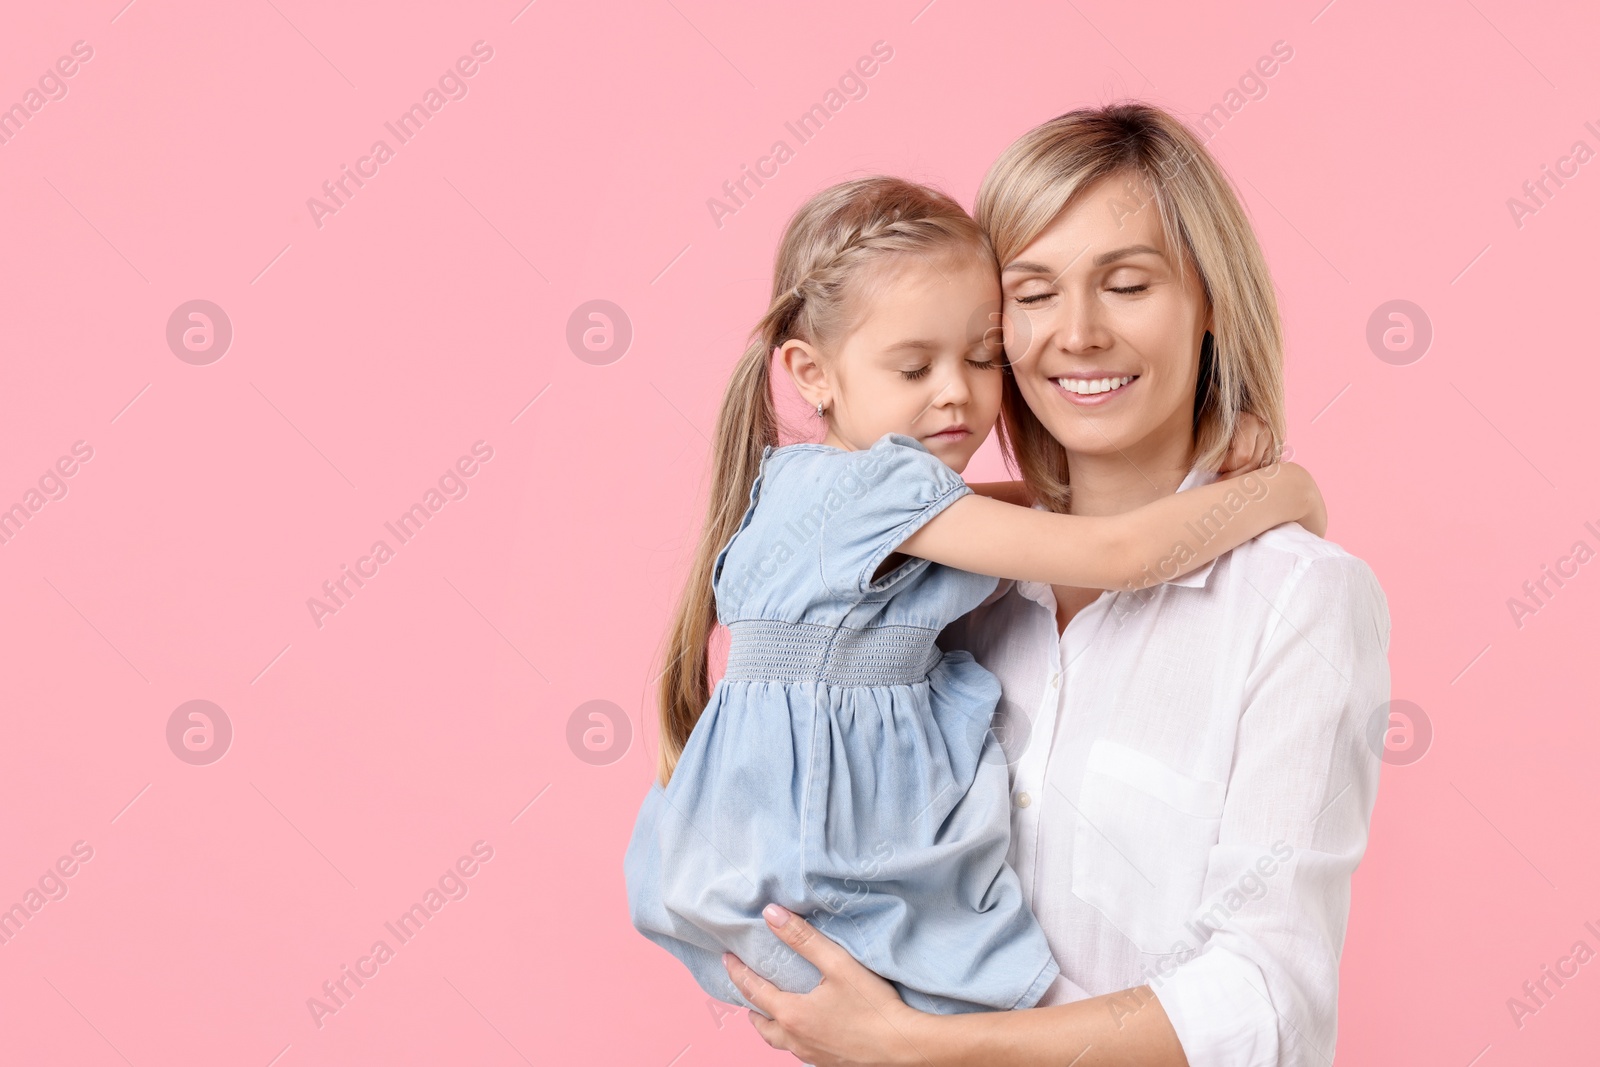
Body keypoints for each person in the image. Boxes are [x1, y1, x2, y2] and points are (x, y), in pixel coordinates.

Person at [724, 104, 1392, 1067]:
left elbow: (1265, 997)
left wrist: (925, 1047)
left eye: (1127, 284)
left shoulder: (1297, 598)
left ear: (1210, 304)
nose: (1077, 333)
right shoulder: (939, 594)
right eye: (1031, 294)